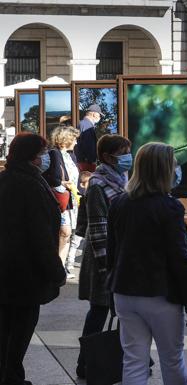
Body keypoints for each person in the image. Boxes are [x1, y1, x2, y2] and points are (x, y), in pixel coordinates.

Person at [107, 142, 187, 385]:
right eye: (174, 166)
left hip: (125, 291)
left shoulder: (120, 203)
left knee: (133, 359)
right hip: (161, 294)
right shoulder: (169, 207)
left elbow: (113, 251)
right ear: (164, 170)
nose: (176, 170)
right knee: (172, 359)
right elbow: (181, 259)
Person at [0, 133, 66, 385]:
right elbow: (40, 236)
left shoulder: (6, 179)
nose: (45, 158)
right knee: (20, 329)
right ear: (32, 157)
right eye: (41, 153)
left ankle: (8, 374)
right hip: (24, 274)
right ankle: (12, 377)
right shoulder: (30, 186)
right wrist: (56, 272)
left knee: (6, 328)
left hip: (7, 270)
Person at [76, 134, 131, 379]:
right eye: (123, 152)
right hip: (104, 256)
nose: (128, 157)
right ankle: (86, 363)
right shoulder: (98, 184)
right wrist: (106, 267)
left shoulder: (122, 179)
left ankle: (113, 362)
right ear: (108, 157)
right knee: (98, 310)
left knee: (114, 311)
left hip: (118, 254)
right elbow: (98, 228)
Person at [43, 126, 81, 279]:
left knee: (67, 234)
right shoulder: (53, 154)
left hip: (71, 200)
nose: (76, 143)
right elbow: (47, 176)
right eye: (75, 139)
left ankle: (60, 269)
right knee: (65, 232)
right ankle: (55, 268)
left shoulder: (72, 157)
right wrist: (62, 183)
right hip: (59, 200)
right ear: (66, 139)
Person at [74, 104, 103, 172]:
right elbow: (88, 145)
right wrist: (91, 160)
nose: (100, 117)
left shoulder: (84, 124)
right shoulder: (87, 125)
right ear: (94, 114)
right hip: (86, 163)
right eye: (99, 115)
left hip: (84, 162)